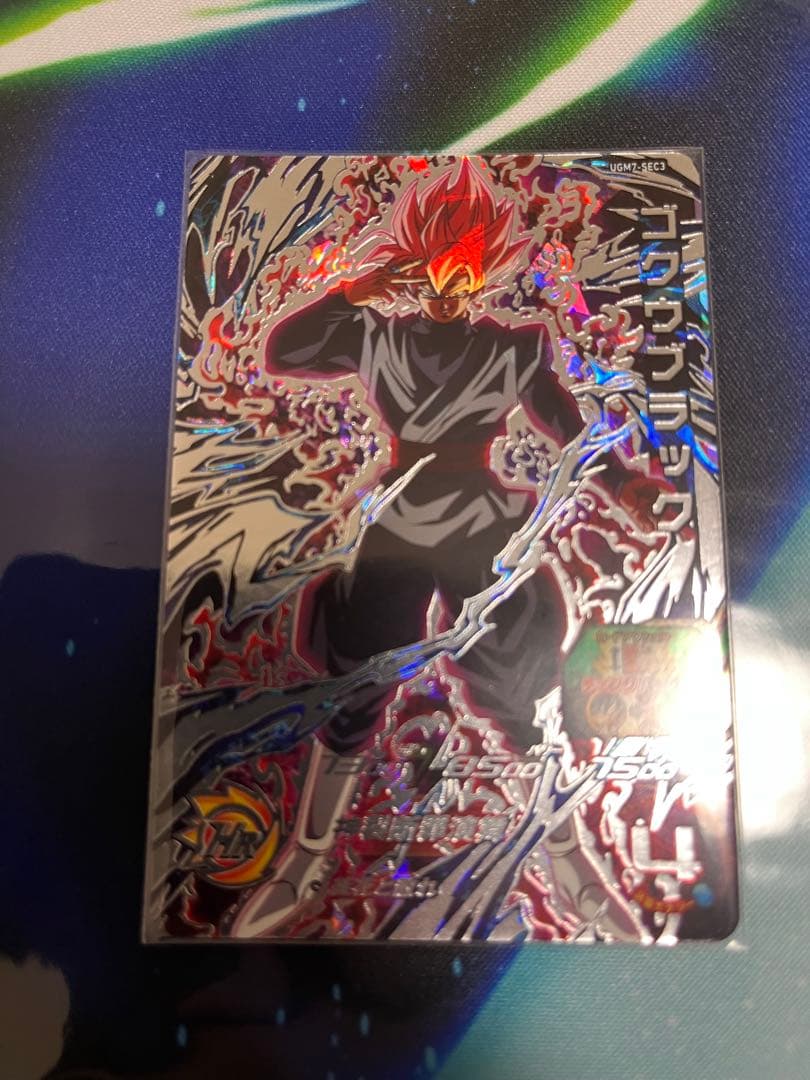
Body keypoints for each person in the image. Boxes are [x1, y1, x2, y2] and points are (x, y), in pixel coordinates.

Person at [231, 160, 656, 938]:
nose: (451, 283)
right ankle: (304, 861)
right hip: (399, 519)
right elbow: (281, 352)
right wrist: (356, 290)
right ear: (415, 261)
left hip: (479, 520)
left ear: (487, 269)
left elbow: (566, 428)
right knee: (358, 680)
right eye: (436, 263)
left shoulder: (512, 348)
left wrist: (622, 485)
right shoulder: (378, 334)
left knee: (519, 685)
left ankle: (568, 858)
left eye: (467, 267)